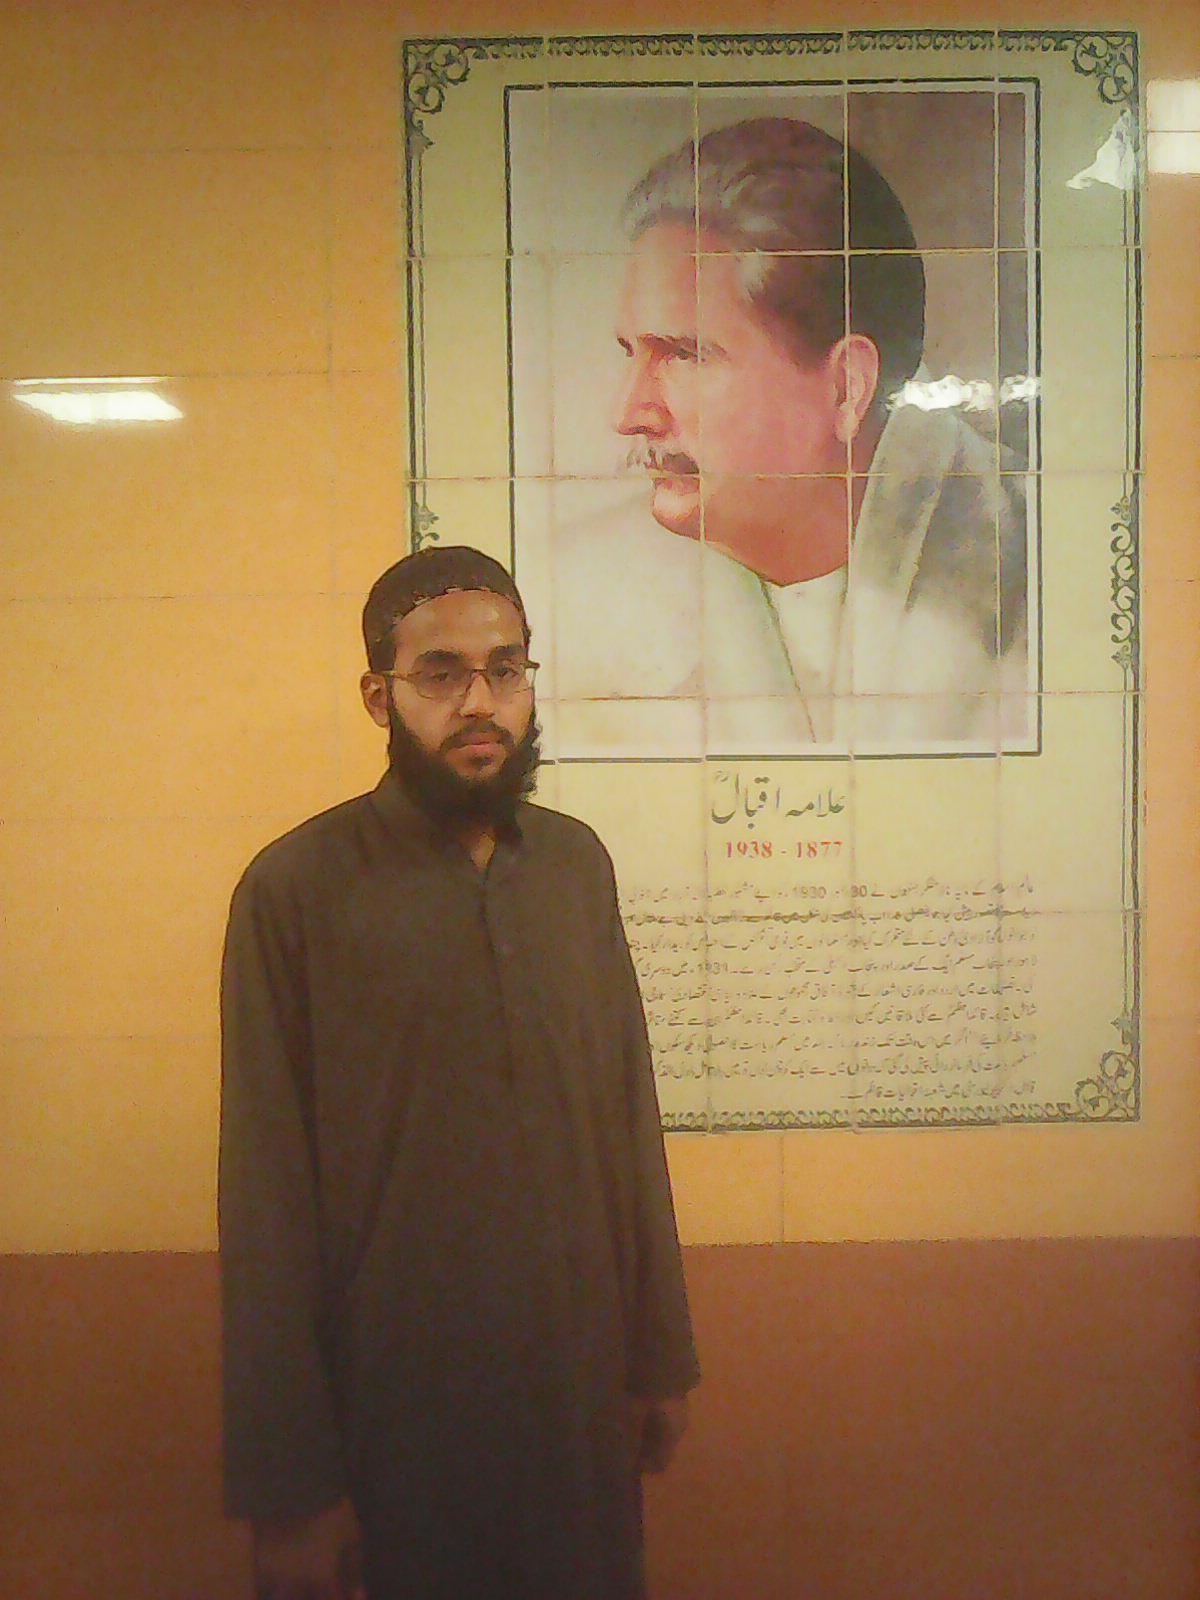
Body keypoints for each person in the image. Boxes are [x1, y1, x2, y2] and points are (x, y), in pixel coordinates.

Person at [219, 545, 699, 1600]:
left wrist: (659, 1356)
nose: (481, 702)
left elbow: (628, 1116)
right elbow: (265, 1199)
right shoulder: (295, 890)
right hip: (392, 1417)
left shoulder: (575, 867)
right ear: (378, 696)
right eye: (441, 673)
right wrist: (287, 1488)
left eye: (506, 669)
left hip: (578, 1400)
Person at [553, 116, 1030, 751]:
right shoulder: (571, 593)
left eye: (686, 355)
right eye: (631, 353)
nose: (629, 413)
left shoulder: (1042, 558)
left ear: (847, 387)